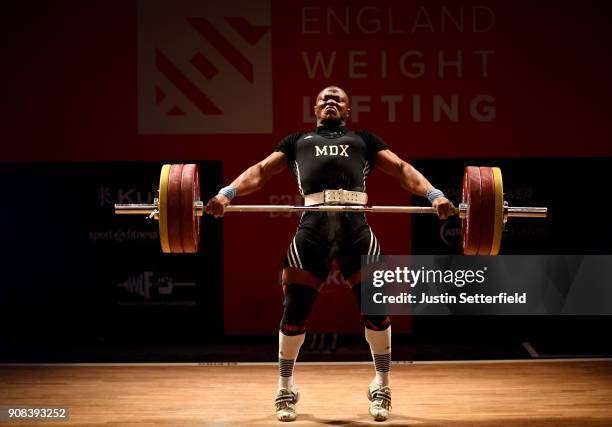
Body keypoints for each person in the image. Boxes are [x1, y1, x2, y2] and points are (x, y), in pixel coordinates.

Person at [205, 86, 454, 422]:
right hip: (313, 231)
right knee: (294, 313)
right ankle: (285, 387)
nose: (331, 102)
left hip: (355, 230)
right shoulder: (297, 142)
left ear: (348, 110)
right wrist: (226, 194)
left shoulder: (364, 141)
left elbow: (401, 170)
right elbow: (261, 172)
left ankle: (382, 384)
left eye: (338, 99)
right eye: (326, 98)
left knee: (376, 309)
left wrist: (435, 195)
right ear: (315, 108)